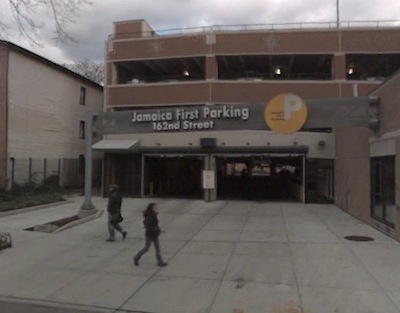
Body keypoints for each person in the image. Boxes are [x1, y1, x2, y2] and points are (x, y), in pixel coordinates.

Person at [133, 202, 167, 267]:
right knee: (146, 248)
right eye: (154, 207)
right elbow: (148, 226)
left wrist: (159, 229)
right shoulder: (148, 216)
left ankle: (160, 262)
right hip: (149, 234)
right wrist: (157, 229)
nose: (156, 208)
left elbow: (155, 224)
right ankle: (136, 257)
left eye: (156, 207)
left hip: (155, 234)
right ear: (151, 208)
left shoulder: (154, 215)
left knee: (157, 248)